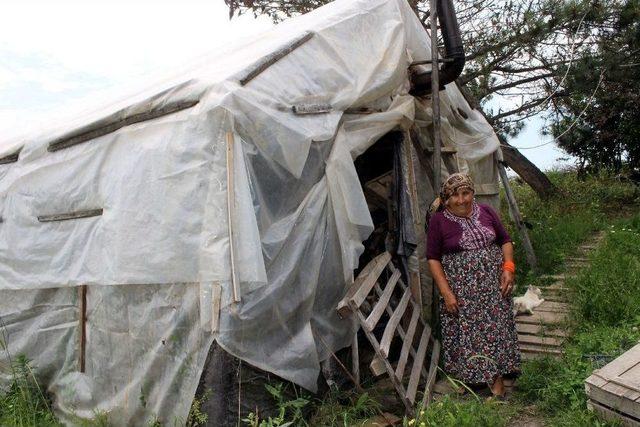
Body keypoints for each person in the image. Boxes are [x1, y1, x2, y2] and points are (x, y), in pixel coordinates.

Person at [426, 173, 520, 398]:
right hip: (462, 290)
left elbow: (505, 240)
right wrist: (446, 292)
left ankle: (496, 380)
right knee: (467, 334)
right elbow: (433, 259)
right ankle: (474, 380)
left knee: (496, 329)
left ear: (472, 193)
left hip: (493, 286)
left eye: (466, 193)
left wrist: (508, 268)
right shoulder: (439, 221)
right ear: (446, 199)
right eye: (455, 195)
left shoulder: (486, 211)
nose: (462, 200)